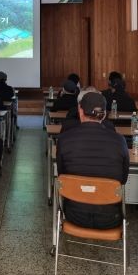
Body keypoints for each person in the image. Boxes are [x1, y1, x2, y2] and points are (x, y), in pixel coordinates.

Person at [56, 92, 129, 229]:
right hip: (110, 218)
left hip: (74, 215)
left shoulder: (64, 139)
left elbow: (61, 175)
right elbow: (123, 179)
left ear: (80, 111)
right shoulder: (119, 141)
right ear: (104, 114)